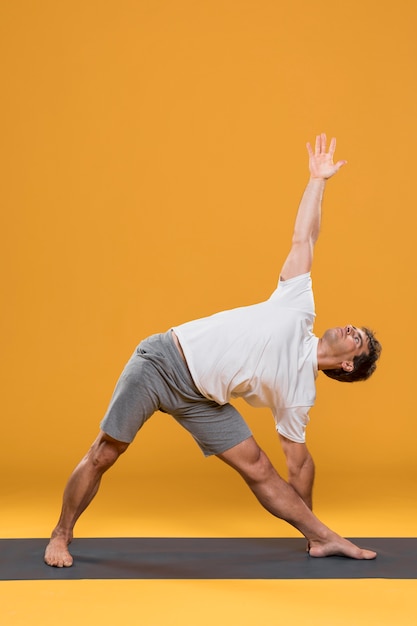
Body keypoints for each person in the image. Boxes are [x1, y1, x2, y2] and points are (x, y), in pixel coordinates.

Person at [44, 133, 381, 568]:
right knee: (104, 453)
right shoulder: (298, 309)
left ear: (348, 365)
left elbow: (297, 462)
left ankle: (323, 539)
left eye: (358, 338)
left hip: (203, 400)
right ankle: (61, 534)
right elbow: (304, 239)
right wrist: (318, 181)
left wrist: (308, 516)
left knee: (259, 466)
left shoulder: (300, 394)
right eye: (355, 327)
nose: (350, 329)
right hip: (162, 362)